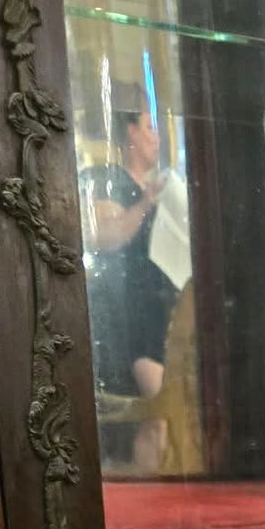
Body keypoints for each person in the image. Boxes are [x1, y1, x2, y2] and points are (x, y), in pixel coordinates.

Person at [81, 98, 179, 470]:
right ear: (131, 133)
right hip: (126, 316)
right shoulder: (108, 178)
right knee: (156, 411)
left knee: (167, 418)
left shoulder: (165, 188)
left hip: (164, 312)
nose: (158, 137)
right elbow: (101, 236)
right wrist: (145, 204)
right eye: (151, 127)